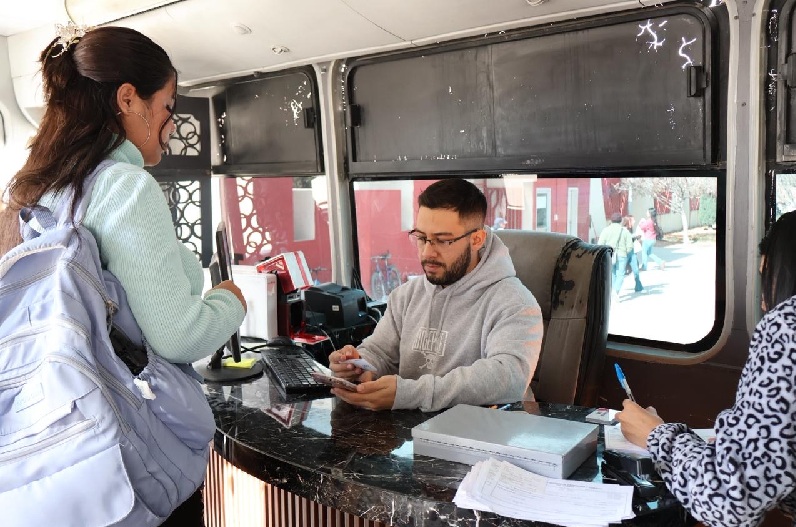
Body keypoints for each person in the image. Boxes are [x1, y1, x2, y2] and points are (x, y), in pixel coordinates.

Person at [0, 25, 247, 524]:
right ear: (128, 98)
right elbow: (179, 336)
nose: (171, 122)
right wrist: (230, 300)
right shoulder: (126, 188)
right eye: (169, 105)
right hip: (123, 457)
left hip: (47, 444)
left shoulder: (31, 191)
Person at [616, 210, 796, 527]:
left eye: (767, 281)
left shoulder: (787, 330)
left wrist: (656, 436)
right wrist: (733, 451)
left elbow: (730, 500)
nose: (766, 304)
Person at [327, 179, 543, 412]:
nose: (428, 252)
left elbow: (508, 377)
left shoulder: (515, 303)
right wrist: (358, 365)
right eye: (421, 238)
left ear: (476, 239)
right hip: (409, 434)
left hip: (480, 438)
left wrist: (411, 394)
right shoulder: (406, 295)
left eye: (443, 240)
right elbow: (380, 353)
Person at [598, 212, 633, 301]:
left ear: (611, 220)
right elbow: (630, 246)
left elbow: (600, 244)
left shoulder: (606, 230)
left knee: (612, 273)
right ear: (620, 221)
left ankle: (613, 291)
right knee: (621, 274)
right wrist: (625, 252)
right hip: (622, 255)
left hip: (610, 255)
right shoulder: (625, 231)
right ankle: (616, 291)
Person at [622, 214, 644, 294]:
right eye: (633, 220)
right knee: (621, 272)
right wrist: (634, 238)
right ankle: (615, 288)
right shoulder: (623, 230)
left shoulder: (629, 229)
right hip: (624, 253)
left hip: (632, 252)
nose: (634, 221)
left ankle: (638, 286)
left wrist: (635, 237)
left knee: (636, 269)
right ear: (628, 221)